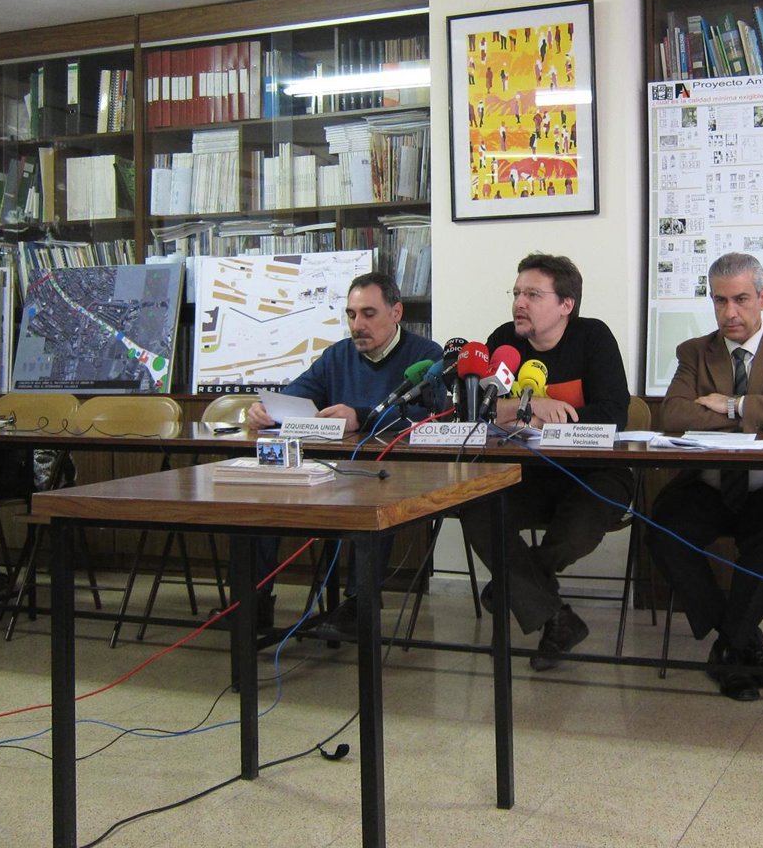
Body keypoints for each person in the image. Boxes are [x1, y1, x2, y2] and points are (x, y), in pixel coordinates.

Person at [644, 252, 763, 702]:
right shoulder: (695, 352)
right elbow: (674, 415)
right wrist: (762, 419)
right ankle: (742, 642)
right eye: (720, 301)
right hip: (710, 485)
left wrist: (733, 405)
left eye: (741, 299)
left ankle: (730, 647)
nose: (730, 312)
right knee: (663, 529)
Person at [240, 271, 442, 633]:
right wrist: (264, 410)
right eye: (351, 314)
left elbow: (433, 415)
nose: (357, 325)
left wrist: (360, 417)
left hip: (396, 471)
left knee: (375, 490)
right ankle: (253, 603)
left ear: (396, 312)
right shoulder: (337, 356)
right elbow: (294, 396)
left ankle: (360, 605)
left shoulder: (426, 356)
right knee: (263, 491)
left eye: (368, 314)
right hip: (332, 469)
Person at [459, 253, 632, 671]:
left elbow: (613, 415)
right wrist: (531, 405)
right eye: (517, 292)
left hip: (594, 473)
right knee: (475, 506)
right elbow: (473, 410)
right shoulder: (504, 341)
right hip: (529, 474)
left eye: (533, 294)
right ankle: (557, 617)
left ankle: (512, 586)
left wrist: (532, 418)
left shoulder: (593, 338)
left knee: (575, 530)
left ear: (566, 304)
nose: (519, 303)